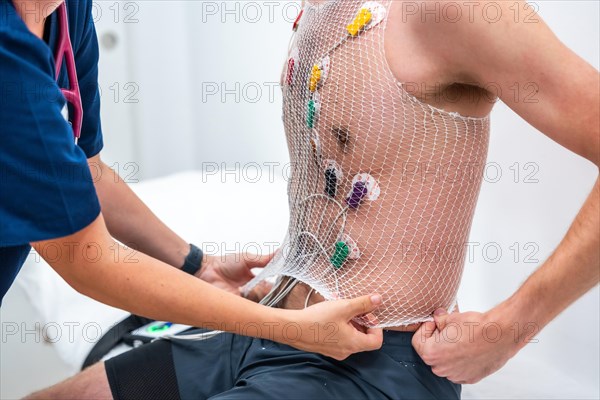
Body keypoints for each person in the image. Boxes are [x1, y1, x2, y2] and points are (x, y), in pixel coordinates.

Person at [25, 0, 599, 399]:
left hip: (371, 368)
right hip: (262, 331)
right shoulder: (324, 11)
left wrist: (506, 332)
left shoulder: (452, 12)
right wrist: (200, 267)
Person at [0, 0, 386, 368]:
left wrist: (198, 266)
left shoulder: (67, 12)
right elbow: (87, 259)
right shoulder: (9, 56)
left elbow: (85, 170)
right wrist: (287, 328)